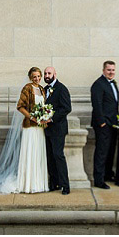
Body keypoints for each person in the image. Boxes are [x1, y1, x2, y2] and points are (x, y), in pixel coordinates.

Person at [0, 67, 48, 194]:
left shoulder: (42, 89)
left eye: (39, 76)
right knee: (30, 153)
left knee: (38, 154)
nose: (37, 79)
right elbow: (20, 107)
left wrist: (45, 117)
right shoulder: (27, 88)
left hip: (40, 128)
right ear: (30, 77)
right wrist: (32, 117)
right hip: (30, 127)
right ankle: (27, 184)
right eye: (34, 77)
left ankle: (38, 183)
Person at [90, 60, 119, 189]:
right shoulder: (98, 84)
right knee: (101, 152)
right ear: (103, 70)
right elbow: (97, 105)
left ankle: (108, 174)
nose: (111, 72)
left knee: (110, 150)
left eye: (113, 70)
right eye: (108, 70)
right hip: (103, 124)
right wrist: (102, 122)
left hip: (113, 124)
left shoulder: (113, 83)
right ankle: (99, 180)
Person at [43, 66, 72, 195]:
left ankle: (65, 185)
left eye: (49, 73)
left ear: (55, 74)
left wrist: (52, 119)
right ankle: (54, 183)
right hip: (47, 129)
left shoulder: (62, 88)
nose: (47, 75)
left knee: (58, 156)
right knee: (50, 157)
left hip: (58, 129)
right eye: (45, 73)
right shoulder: (44, 90)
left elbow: (66, 108)